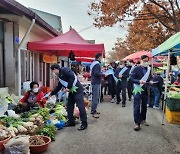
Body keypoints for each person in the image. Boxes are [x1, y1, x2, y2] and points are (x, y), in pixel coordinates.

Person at [50, 64, 87, 131]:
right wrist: (52, 93)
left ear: (55, 69)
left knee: (80, 107)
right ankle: (71, 121)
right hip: (71, 91)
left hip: (77, 90)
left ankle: (84, 123)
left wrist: (68, 87)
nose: (53, 73)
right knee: (69, 106)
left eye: (53, 71)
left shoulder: (64, 70)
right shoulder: (60, 75)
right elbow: (59, 86)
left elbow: (72, 77)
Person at [130, 55, 153, 131]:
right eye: (144, 61)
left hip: (146, 89)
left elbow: (150, 77)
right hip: (138, 89)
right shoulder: (136, 68)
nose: (146, 62)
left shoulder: (149, 69)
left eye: (147, 61)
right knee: (137, 106)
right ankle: (137, 123)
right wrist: (139, 81)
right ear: (141, 60)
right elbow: (131, 79)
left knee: (144, 105)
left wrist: (151, 81)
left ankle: (143, 119)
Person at [90, 53, 105, 118]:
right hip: (96, 82)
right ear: (99, 57)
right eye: (101, 57)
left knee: (95, 96)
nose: (101, 59)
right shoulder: (97, 64)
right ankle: (94, 111)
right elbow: (96, 73)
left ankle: (93, 109)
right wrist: (103, 74)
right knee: (96, 97)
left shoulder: (94, 63)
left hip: (94, 81)